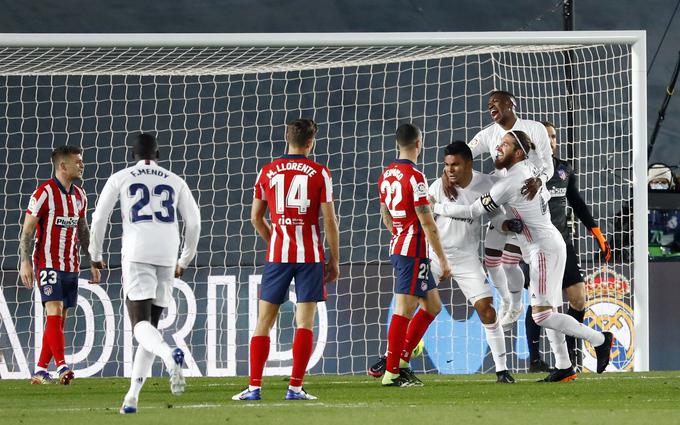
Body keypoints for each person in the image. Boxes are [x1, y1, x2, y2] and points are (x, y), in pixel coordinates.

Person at [432, 130, 614, 382]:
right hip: (546, 242)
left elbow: (473, 211)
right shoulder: (527, 169)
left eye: (504, 145)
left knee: (542, 315)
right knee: (550, 308)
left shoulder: (509, 183)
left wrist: (436, 206)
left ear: (518, 153)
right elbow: (542, 181)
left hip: (542, 248)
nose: (497, 148)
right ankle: (564, 366)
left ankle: (600, 339)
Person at [368, 141, 519, 383]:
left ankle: (502, 370)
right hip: (436, 253)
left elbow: (496, 215)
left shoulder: (487, 185)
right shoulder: (437, 186)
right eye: (447, 165)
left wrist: (506, 224)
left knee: (487, 311)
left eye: (455, 164)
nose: (450, 169)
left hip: (467, 258)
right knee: (416, 303)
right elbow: (425, 218)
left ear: (468, 163)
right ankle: (394, 358)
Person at [89, 133, 201, 413]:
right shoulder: (175, 180)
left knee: (140, 325)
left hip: (137, 253)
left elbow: (99, 217)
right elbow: (195, 222)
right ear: (158, 154)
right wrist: (184, 258)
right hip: (167, 254)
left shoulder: (121, 177)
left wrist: (95, 254)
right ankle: (132, 397)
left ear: (133, 154)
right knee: (150, 327)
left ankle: (168, 355)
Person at [232, 118, 339, 401]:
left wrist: (275, 239)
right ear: (310, 142)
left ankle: (254, 387)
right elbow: (329, 220)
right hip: (310, 256)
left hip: (278, 256)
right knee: (304, 323)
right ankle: (294, 388)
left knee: (264, 321)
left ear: (287, 137)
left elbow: (255, 217)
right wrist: (335, 259)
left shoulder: (267, 171)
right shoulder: (320, 173)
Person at [525, 121, 612, 373]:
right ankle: (535, 359)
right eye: (546, 136)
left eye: (553, 136)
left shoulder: (564, 170)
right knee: (540, 303)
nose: (551, 140)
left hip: (563, 244)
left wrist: (598, 234)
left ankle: (574, 356)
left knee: (578, 299)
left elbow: (578, 203)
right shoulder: (526, 170)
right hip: (536, 246)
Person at [468, 91, 554, 327]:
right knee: (492, 260)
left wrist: (539, 180)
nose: (490, 106)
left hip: (527, 203)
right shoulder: (488, 134)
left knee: (510, 262)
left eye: (495, 102)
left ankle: (520, 304)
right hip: (501, 206)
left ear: (511, 104)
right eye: (488, 104)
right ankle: (507, 300)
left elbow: (549, 166)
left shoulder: (535, 129)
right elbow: (467, 152)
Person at [377, 123, 451, 387]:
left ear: (399, 143)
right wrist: (441, 259)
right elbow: (427, 223)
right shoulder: (415, 177)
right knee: (403, 310)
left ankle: (403, 361)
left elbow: (385, 212)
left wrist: (397, 232)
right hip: (412, 252)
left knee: (432, 306)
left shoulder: (387, 174)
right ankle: (391, 372)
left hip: (400, 246)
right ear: (419, 143)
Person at [19, 145, 101, 385]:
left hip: (71, 265)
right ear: (63, 166)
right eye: (78, 161)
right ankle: (62, 365)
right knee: (53, 310)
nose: (82, 165)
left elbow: (82, 230)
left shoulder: (80, 195)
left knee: (60, 318)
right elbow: (27, 230)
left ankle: (41, 370)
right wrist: (25, 262)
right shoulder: (43, 193)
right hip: (47, 263)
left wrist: (92, 260)